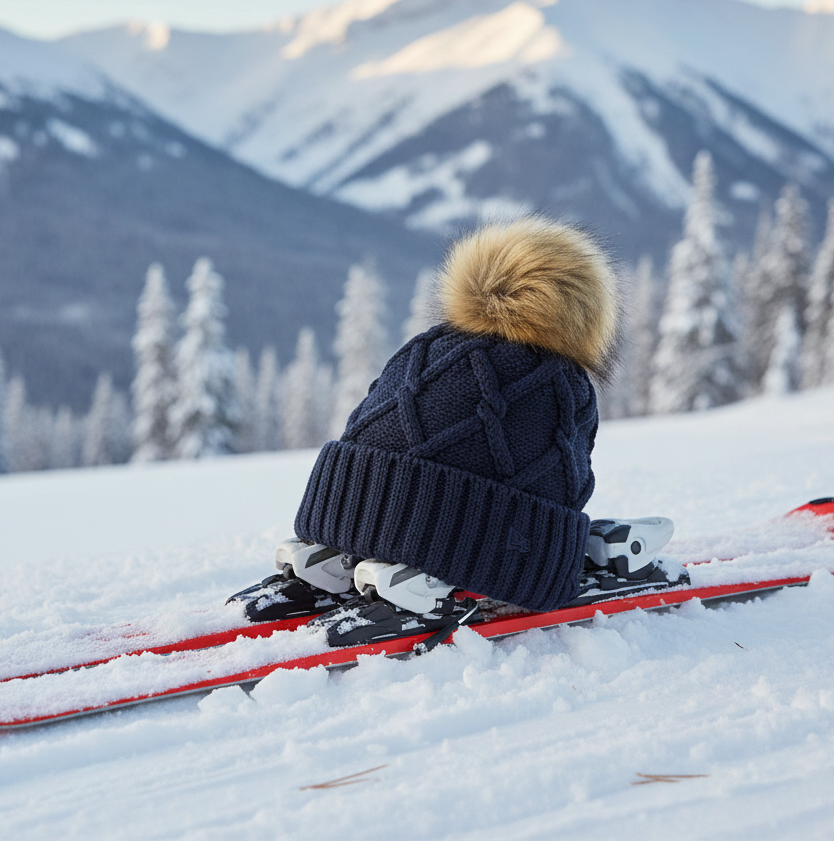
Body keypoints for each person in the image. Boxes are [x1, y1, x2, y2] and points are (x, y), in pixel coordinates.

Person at [231, 216, 679, 645]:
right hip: (463, 534)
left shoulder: (430, 349)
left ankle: (348, 546)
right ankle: (440, 558)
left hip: (346, 506)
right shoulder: (556, 390)